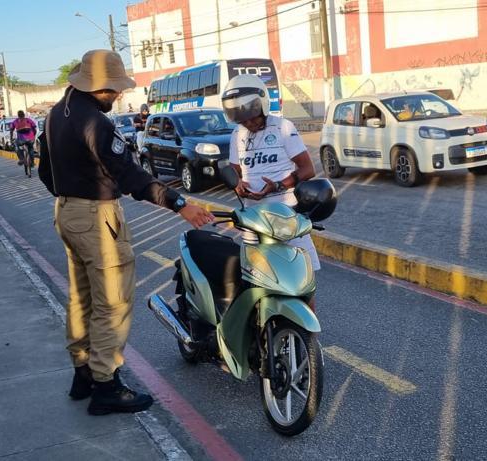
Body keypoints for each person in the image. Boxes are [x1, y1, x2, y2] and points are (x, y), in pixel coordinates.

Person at [37, 50, 214, 415]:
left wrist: (70, 195)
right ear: (99, 88)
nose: (118, 94)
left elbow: (44, 172)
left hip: (67, 211)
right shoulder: (95, 124)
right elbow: (130, 176)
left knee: (82, 298)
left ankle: (83, 373)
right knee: (112, 302)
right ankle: (106, 385)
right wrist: (180, 204)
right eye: (114, 89)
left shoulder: (56, 114)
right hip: (96, 217)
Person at [220, 74, 321, 305]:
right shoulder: (237, 134)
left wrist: (277, 185)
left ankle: (310, 339)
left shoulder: (284, 127)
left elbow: (307, 169)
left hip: (286, 215)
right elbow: (235, 171)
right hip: (253, 219)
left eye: (252, 118)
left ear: (262, 106)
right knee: (255, 282)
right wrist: (238, 184)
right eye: (243, 120)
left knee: (303, 282)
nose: (249, 124)